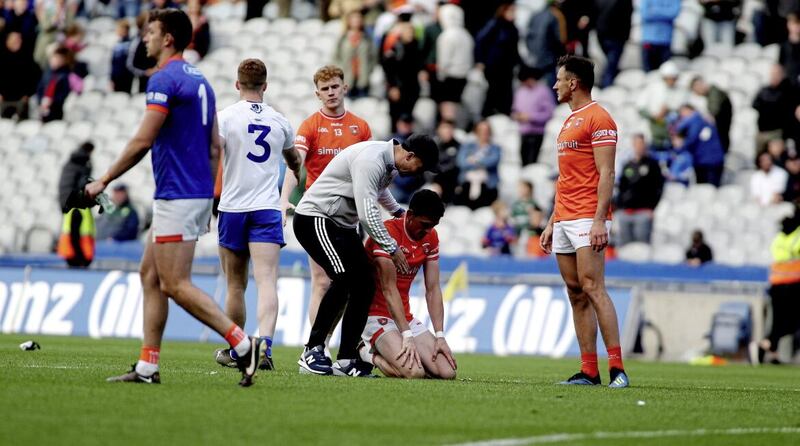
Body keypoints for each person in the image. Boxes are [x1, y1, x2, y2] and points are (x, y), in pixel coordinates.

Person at [84, 8, 259, 387]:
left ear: (168, 39)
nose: (144, 38)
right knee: (150, 274)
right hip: (193, 193)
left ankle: (241, 342)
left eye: (150, 32)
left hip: (177, 195)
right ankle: (148, 366)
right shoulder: (202, 81)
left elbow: (143, 140)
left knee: (175, 283)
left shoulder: (164, 78)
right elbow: (215, 147)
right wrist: (207, 197)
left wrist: (104, 179)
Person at [293, 134, 439, 377]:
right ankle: (312, 351)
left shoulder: (388, 163)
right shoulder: (371, 161)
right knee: (343, 278)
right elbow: (367, 213)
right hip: (316, 217)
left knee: (365, 284)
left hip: (341, 224)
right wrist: (392, 247)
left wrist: (396, 211)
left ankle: (347, 358)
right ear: (410, 156)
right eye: (420, 167)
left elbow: (377, 191)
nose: (418, 172)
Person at [539, 55, 629, 388]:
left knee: (593, 288)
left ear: (573, 83)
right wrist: (551, 220)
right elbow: (568, 177)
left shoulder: (599, 118)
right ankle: (589, 370)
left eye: (559, 80)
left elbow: (607, 172)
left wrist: (599, 221)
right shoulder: (568, 122)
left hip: (586, 217)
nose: (555, 85)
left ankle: (617, 369)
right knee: (575, 292)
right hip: (564, 218)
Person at [212, 58, 302, 372]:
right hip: (266, 208)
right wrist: (294, 171)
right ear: (265, 85)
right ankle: (265, 348)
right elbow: (295, 161)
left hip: (234, 208)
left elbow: (213, 151)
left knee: (236, 285)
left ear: (237, 84)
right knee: (267, 283)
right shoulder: (280, 120)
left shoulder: (224, 118)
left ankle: (238, 349)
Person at [281, 65, 372, 356]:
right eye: (325, 88)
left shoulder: (361, 127)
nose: (331, 92)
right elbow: (295, 166)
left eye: (335, 86)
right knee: (323, 280)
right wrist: (284, 199)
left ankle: (335, 344)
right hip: (319, 213)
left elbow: (371, 169)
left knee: (348, 281)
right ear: (317, 93)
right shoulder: (310, 126)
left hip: (349, 216)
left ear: (344, 88)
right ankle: (318, 348)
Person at [359, 190, 457, 379]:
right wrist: (407, 335)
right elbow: (389, 288)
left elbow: (433, 289)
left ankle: (398, 349)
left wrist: (440, 336)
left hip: (405, 316)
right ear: (410, 215)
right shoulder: (387, 233)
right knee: (414, 373)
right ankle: (365, 353)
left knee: (447, 373)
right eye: (425, 225)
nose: (428, 231)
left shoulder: (431, 237)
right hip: (375, 315)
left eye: (434, 226)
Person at [754, 208, 800, 364]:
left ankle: (771, 351)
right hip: (793, 286)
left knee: (778, 321)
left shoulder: (779, 239)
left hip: (776, 284)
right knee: (791, 323)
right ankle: (766, 345)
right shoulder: (797, 237)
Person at [615, 134, 664, 246]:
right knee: (625, 247)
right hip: (626, 211)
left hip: (644, 212)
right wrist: (620, 206)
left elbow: (659, 187)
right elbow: (621, 187)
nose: (639, 147)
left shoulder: (652, 165)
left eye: (641, 144)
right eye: (637, 144)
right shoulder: (627, 165)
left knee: (642, 247)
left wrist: (652, 208)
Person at [474, 3, 520, 117]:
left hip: (507, 67)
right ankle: (486, 116)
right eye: (510, 11)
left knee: (506, 94)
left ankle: (504, 116)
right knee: (492, 92)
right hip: (493, 66)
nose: (513, 14)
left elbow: (514, 50)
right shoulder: (494, 24)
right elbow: (480, 40)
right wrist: (480, 60)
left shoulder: (513, 28)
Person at [57, 141, 95, 268]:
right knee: (77, 233)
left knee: (71, 232)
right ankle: (79, 260)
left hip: (67, 203)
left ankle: (73, 259)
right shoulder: (82, 165)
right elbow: (82, 186)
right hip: (76, 204)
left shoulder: (70, 163)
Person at [637, 61, 687, 156]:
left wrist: (669, 112)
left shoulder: (681, 91)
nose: (671, 81)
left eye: (674, 78)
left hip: (672, 132)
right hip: (652, 130)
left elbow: (683, 110)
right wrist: (655, 116)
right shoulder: (653, 88)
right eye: (669, 78)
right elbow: (641, 108)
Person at [435, 3, 473, 123]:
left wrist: (440, 76)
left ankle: (448, 127)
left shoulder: (446, 36)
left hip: (449, 77)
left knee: (448, 108)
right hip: (464, 76)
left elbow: (444, 61)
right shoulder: (467, 35)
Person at [512, 66, 556, 166]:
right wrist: (517, 116)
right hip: (523, 132)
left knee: (533, 162)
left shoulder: (543, 91)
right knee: (523, 161)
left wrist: (531, 117)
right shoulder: (520, 92)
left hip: (537, 133)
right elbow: (514, 110)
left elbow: (549, 113)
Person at [673, 104, 726, 187]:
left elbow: (691, 139)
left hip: (708, 162)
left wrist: (680, 146)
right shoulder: (701, 120)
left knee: (707, 190)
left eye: (682, 112)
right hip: (706, 161)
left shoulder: (696, 121)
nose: (682, 115)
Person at [454, 120, 501, 210]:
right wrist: (482, 163)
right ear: (476, 132)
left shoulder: (495, 148)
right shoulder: (467, 146)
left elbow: (493, 161)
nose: (484, 133)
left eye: (486, 130)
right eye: (481, 130)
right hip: (467, 184)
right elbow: (461, 162)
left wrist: (475, 161)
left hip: (487, 186)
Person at [524, 0, 566, 91]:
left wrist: (532, 52)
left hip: (534, 58)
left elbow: (527, 37)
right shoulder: (554, 16)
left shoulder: (535, 16)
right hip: (548, 59)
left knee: (536, 88)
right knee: (551, 87)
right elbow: (558, 39)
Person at [753, 64, 796, 153]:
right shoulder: (765, 90)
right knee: (760, 158)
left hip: (777, 132)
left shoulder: (788, 90)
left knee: (776, 158)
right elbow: (755, 104)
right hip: (762, 131)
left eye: (776, 74)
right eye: (772, 74)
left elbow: (782, 109)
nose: (774, 76)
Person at [0, 31, 41, 120]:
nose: (17, 41)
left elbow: (35, 78)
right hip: (3, 99)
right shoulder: (2, 58)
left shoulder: (28, 58)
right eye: (14, 39)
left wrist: (28, 94)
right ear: (7, 41)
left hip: (22, 100)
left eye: (19, 39)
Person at [334, 9, 375, 98]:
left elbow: (373, 56)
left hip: (363, 78)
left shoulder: (367, 38)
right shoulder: (343, 38)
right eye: (354, 18)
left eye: (359, 18)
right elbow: (335, 57)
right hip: (346, 80)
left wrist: (369, 70)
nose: (357, 20)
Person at [689, 76, 733, 153]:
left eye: (695, 90)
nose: (697, 94)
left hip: (722, 130)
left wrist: (709, 118)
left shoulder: (714, 92)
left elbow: (714, 109)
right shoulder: (711, 94)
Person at [595, 0, 633, 88]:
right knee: (611, 63)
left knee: (611, 62)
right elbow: (627, 16)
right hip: (616, 36)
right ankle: (607, 86)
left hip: (602, 34)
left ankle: (607, 82)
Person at [639, 0, 681, 72]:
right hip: (648, 40)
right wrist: (664, 12)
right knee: (648, 73)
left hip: (665, 41)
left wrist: (654, 11)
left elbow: (674, 13)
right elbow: (645, 14)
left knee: (664, 72)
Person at [37, 46, 73, 122]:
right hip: (44, 106)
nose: (54, 60)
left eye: (58, 58)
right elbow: (40, 88)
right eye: (53, 58)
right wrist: (41, 101)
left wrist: (52, 101)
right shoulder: (47, 73)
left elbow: (64, 93)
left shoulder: (66, 75)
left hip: (57, 109)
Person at [511, 180, 546, 257]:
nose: (520, 190)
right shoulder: (516, 204)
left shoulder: (533, 203)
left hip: (531, 233)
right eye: (519, 188)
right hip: (519, 233)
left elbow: (539, 215)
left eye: (523, 187)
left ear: (529, 189)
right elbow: (512, 219)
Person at [431, 119, 461, 204]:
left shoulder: (459, 146)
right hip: (434, 182)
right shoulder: (433, 146)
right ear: (438, 130)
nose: (447, 131)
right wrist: (433, 182)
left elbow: (454, 166)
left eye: (450, 129)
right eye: (444, 128)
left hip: (452, 184)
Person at [110, 19, 134, 93]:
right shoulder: (117, 44)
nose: (117, 30)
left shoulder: (131, 43)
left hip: (126, 77)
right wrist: (112, 79)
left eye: (119, 28)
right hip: (117, 77)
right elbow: (113, 62)